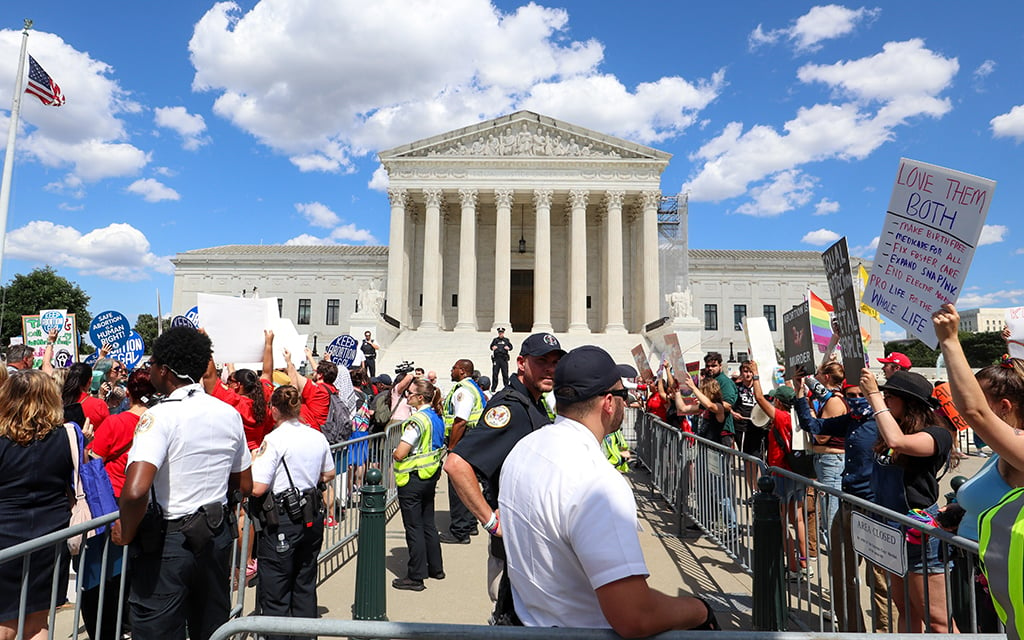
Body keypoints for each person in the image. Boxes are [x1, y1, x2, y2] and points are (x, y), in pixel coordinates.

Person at [500, 345, 719, 633]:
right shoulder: (598, 482)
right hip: (579, 629)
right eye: (622, 396)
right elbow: (634, 616)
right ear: (608, 403)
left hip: (529, 621)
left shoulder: (524, 448)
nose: (626, 403)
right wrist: (701, 610)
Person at [112, 327, 252, 640]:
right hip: (215, 536)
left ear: (164, 370)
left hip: (169, 543)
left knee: (156, 629)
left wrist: (127, 530)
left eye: (152, 364)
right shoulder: (228, 413)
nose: (149, 370)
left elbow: (135, 491)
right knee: (211, 628)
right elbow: (244, 483)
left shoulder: (161, 416)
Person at [443, 333, 563, 608]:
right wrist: (490, 520)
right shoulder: (510, 408)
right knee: (510, 617)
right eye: (542, 361)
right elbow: (456, 464)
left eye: (555, 362)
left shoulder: (532, 400)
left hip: (530, 544)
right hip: (514, 548)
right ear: (521, 363)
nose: (551, 369)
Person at [933, 304, 1020, 632]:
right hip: (979, 572)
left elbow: (974, 412)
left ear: (1005, 407)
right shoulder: (999, 453)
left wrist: (950, 340)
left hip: (999, 582)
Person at [859, 367, 956, 633]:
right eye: (885, 395)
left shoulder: (938, 434)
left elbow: (898, 441)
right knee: (907, 610)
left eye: (891, 396)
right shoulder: (893, 427)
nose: (885, 400)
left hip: (919, 533)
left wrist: (875, 397)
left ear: (910, 403)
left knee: (937, 620)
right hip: (892, 530)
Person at [793, 378, 888, 632]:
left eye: (861, 393)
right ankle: (851, 631)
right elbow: (812, 425)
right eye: (850, 394)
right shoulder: (851, 421)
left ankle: (883, 634)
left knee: (878, 581)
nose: (856, 398)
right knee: (841, 573)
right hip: (847, 504)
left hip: (874, 510)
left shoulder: (885, 424)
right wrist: (800, 394)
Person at [249, 385, 334, 633]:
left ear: (274, 410)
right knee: (305, 583)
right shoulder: (316, 436)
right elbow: (328, 473)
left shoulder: (273, 440)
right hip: (310, 515)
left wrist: (254, 462)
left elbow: (258, 487)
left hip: (282, 519)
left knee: (276, 588)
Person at [0, 370, 74, 640]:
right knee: (37, 623)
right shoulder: (66, 437)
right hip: (51, 534)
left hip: (5, 538)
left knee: (4, 622)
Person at [749, 362, 810, 581]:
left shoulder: (781, 417)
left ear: (778, 402)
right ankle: (805, 562)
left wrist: (756, 376)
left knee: (782, 522)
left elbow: (758, 399)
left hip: (781, 473)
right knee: (799, 520)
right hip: (797, 472)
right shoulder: (798, 416)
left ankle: (793, 568)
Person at [392, 379, 446, 591]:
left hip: (412, 478)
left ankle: (415, 576)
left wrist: (395, 453)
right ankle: (436, 568)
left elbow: (401, 452)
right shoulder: (436, 417)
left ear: (420, 398)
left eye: (411, 393)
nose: (407, 396)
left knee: (414, 527)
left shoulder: (417, 421)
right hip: (429, 475)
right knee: (428, 524)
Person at [88, 369, 157, 498]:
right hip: (148, 493)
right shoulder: (159, 422)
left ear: (127, 393)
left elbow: (94, 461)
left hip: (114, 493)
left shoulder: (114, 422)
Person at [439, 359, 486, 544]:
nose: (451, 370)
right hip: (471, 439)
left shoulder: (463, 391)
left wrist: (452, 446)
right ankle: (469, 523)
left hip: (463, 439)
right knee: (468, 483)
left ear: (463, 371)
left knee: (458, 486)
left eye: (454, 368)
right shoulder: (473, 388)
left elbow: (460, 420)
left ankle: (460, 531)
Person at [285, 348, 338, 431]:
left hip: (313, 429)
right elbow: (319, 370)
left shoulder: (316, 390)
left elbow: (294, 376)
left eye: (316, 372)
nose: (314, 372)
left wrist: (288, 361)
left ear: (320, 375)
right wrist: (309, 356)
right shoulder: (332, 388)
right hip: (325, 429)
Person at [703, 352, 738, 446]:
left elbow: (728, 405)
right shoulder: (707, 380)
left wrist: (710, 403)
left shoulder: (725, 382)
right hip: (709, 428)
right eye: (708, 366)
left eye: (714, 366)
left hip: (722, 432)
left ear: (720, 366)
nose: (710, 368)